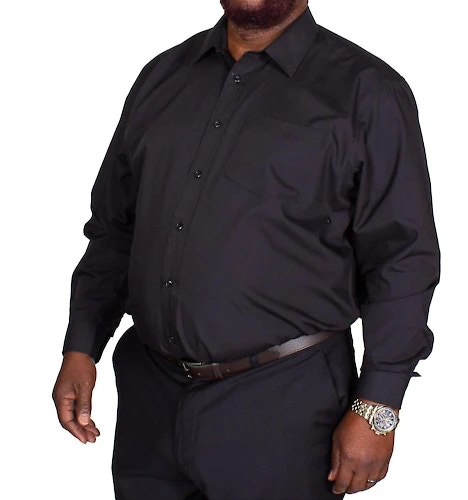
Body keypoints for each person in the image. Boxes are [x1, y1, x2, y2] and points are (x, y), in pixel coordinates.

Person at [52, 1, 440, 498]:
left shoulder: (368, 91)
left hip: (284, 407)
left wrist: (378, 406)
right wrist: (82, 345)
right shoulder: (162, 76)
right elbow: (115, 229)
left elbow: (401, 258)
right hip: (150, 401)